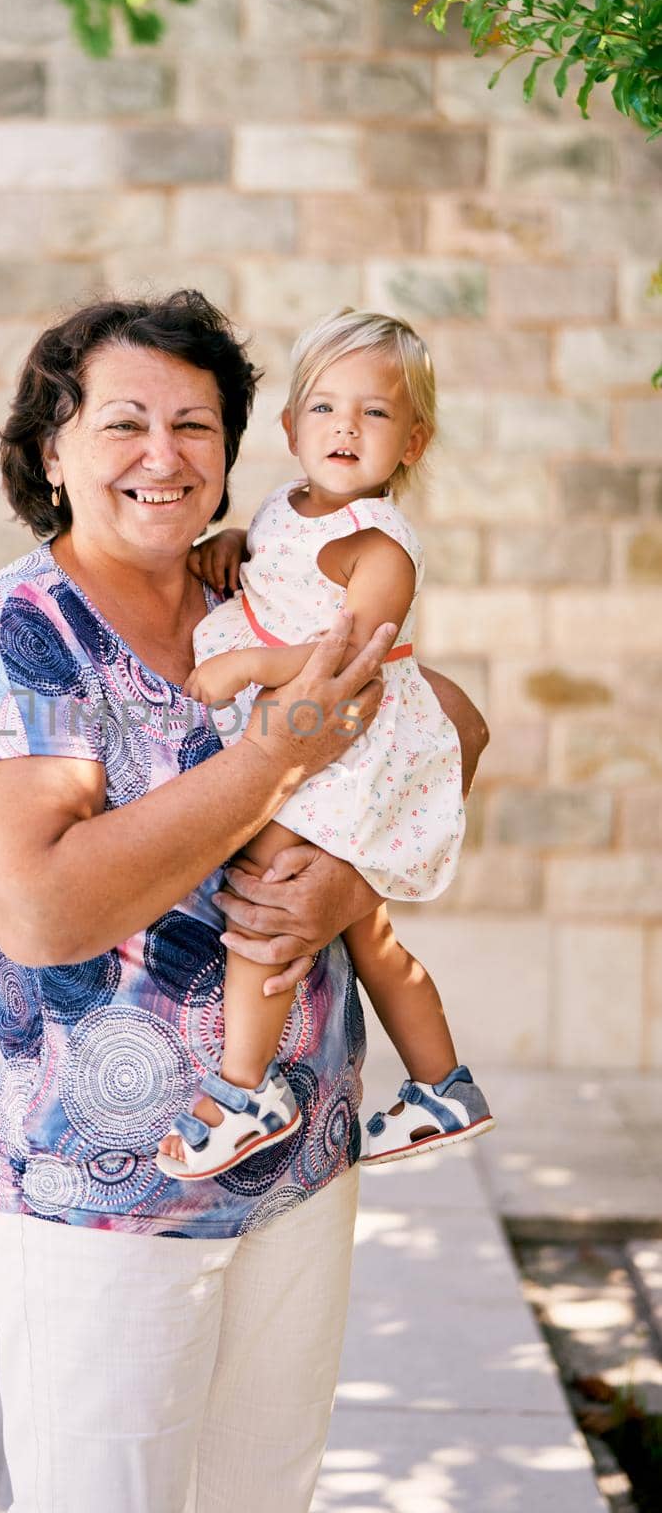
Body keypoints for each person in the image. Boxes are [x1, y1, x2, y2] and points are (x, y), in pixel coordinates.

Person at [0, 291, 489, 1513]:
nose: (162, 454)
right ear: (53, 451)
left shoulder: (249, 586)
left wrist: (346, 867)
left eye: (195, 424)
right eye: (124, 421)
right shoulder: (18, 631)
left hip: (296, 1164)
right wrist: (271, 763)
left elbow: (446, 716)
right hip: (108, 1189)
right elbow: (38, 910)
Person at [156, 309, 494, 1183]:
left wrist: (246, 665)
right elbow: (278, 563)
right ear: (288, 426)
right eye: (324, 408)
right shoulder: (287, 508)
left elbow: (357, 655)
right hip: (314, 736)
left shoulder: (377, 545)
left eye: (374, 414)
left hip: (354, 740)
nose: (345, 428)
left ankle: (243, 1091)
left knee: (268, 899)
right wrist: (234, 544)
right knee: (369, 933)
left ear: (412, 441)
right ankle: (440, 1089)